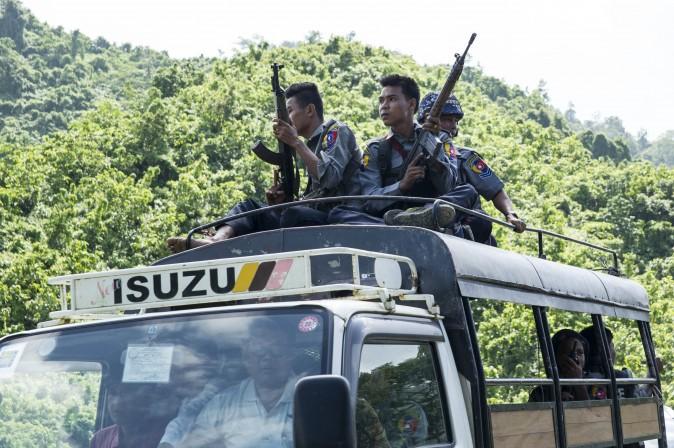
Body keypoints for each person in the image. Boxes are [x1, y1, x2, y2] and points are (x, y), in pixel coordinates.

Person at [166, 82, 362, 253]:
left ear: (310, 110)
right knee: (249, 208)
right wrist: (282, 199)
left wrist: (296, 143)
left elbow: (331, 178)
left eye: (290, 111)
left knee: (292, 213)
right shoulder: (310, 145)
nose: (286, 118)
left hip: (337, 218)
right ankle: (216, 241)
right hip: (311, 213)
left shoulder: (336, 132)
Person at [334, 74, 477, 230]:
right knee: (339, 213)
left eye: (392, 99)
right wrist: (402, 185)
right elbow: (370, 200)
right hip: (388, 217)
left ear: (411, 104)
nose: (384, 106)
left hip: (432, 207)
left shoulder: (439, 138)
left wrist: (433, 150)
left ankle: (424, 215)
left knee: (468, 192)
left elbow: (449, 187)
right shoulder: (376, 148)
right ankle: (401, 220)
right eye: (381, 101)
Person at [417, 92, 526, 244]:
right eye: (447, 119)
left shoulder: (466, 157)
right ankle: (421, 216)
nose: (453, 125)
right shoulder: (410, 151)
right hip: (413, 218)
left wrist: (510, 214)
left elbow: (495, 190)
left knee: (479, 217)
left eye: (455, 121)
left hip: (461, 227)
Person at [177, 319, 298, 448]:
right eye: (258, 350)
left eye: (276, 350)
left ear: (291, 354)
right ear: (246, 358)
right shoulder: (222, 404)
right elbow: (194, 443)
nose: (267, 357)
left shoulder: (309, 398)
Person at [530, 329, 590, 402]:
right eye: (567, 352)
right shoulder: (541, 392)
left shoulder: (596, 384)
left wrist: (578, 383)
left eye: (580, 353)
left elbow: (596, 412)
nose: (575, 358)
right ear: (556, 357)